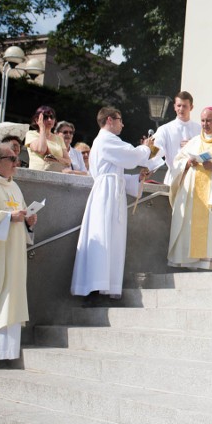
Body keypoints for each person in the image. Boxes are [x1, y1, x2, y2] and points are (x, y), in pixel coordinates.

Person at [70, 107, 157, 305]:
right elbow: (131, 157)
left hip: (111, 192)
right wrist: (146, 147)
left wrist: (137, 178)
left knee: (113, 240)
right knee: (103, 237)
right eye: (120, 120)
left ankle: (105, 287)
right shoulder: (106, 139)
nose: (123, 124)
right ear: (110, 120)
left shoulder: (105, 141)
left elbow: (116, 173)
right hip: (105, 196)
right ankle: (95, 288)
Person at [167, 107, 212, 270]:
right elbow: (177, 162)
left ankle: (211, 265)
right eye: (202, 120)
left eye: (209, 120)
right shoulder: (194, 142)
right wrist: (186, 163)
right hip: (194, 198)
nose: (205, 124)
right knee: (189, 229)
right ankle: (189, 263)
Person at [0, 143, 37, 365]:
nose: (17, 164)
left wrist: (28, 221)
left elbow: (21, 213)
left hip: (15, 254)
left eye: (17, 159)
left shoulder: (15, 186)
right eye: (12, 159)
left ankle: (6, 354)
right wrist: (9, 217)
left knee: (12, 300)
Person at [152, 92, 202, 185]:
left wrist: (193, 146)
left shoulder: (200, 130)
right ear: (174, 106)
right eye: (179, 105)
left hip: (195, 178)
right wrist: (148, 148)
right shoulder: (165, 129)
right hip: (174, 176)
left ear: (191, 107)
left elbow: (207, 151)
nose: (181, 109)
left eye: (185, 106)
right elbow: (157, 149)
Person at [24, 106, 70, 172]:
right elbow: (41, 149)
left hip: (56, 175)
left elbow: (68, 161)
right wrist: (42, 128)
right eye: (45, 117)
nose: (49, 120)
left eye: (52, 117)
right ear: (37, 119)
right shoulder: (31, 134)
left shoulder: (59, 139)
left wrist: (54, 158)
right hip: (37, 174)